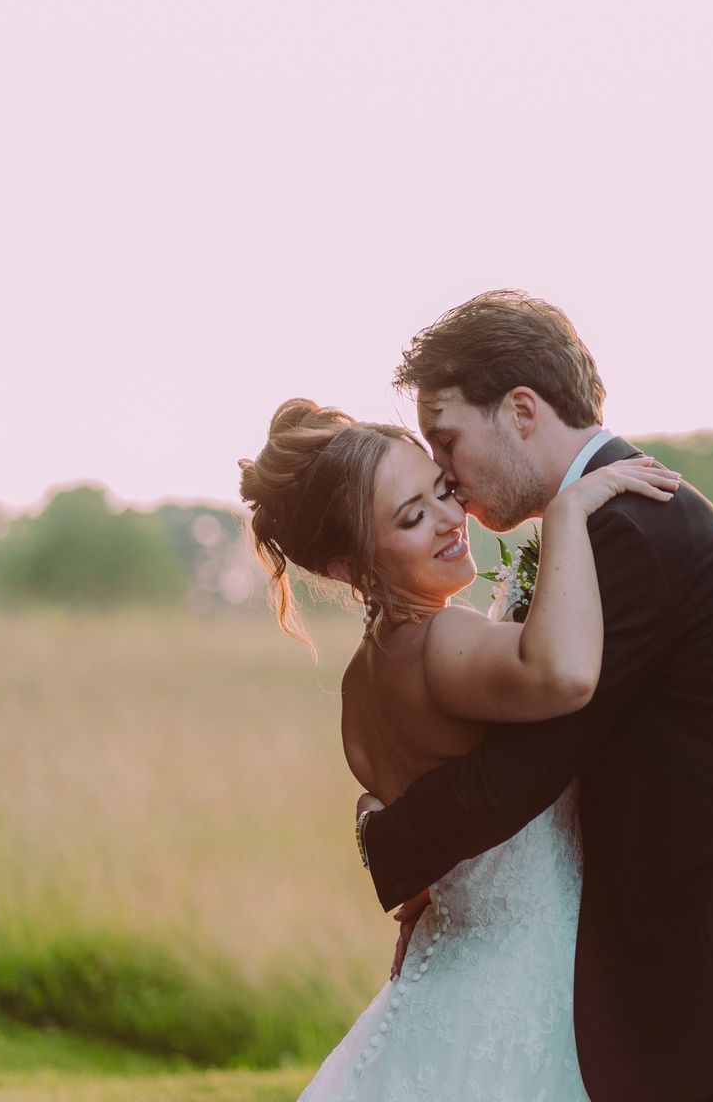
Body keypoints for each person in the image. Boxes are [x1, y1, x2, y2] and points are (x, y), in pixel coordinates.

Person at [358, 291, 713, 1101]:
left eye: (447, 437)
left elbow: (523, 772)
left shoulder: (628, 530)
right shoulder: (592, 533)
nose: (444, 472)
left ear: (521, 410)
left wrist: (382, 835)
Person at [238, 397, 682, 1100]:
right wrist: (564, 514)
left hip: (441, 984)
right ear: (353, 566)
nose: (450, 520)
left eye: (442, 492)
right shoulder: (445, 643)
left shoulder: (361, 687)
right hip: (530, 987)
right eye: (411, 517)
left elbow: (418, 834)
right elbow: (561, 671)